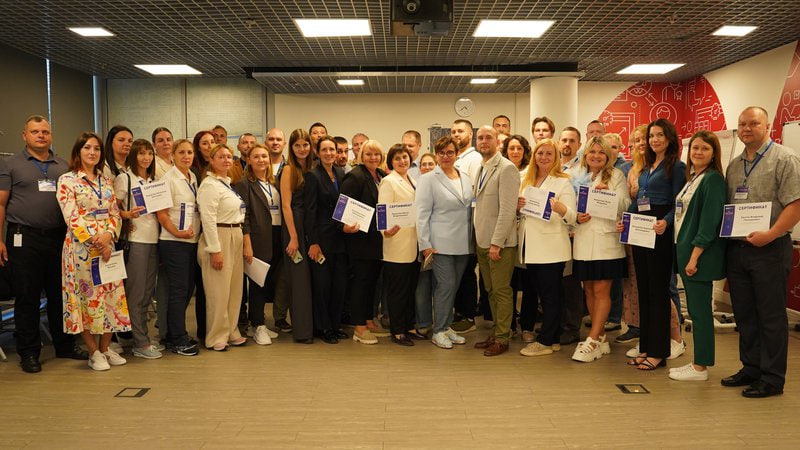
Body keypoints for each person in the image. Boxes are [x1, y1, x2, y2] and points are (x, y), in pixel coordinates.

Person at [721, 106, 800, 398]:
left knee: (770, 317)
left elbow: (796, 204)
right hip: (738, 249)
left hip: (770, 248)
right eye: (742, 124)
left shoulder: (785, 159)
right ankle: (751, 368)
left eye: (753, 123)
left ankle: (772, 378)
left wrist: (771, 234)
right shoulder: (734, 165)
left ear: (768, 127)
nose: (746, 128)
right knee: (745, 314)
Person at [0, 115, 85, 373]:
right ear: (24, 135)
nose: (41, 136)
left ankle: (65, 345)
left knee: (61, 294)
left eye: (45, 132)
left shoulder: (63, 166)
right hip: (23, 238)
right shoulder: (10, 164)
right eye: (35, 131)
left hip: (58, 237)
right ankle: (29, 353)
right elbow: (1, 204)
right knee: (27, 296)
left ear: (51, 135)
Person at [57, 131, 130, 371]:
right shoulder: (67, 180)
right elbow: (71, 216)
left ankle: (106, 348)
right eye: (87, 147)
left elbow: (114, 213)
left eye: (97, 148)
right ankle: (93, 351)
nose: (92, 152)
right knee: (86, 299)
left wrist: (108, 236)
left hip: (107, 247)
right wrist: (96, 240)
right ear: (78, 151)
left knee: (111, 298)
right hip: (81, 250)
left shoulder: (105, 180)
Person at [625, 118, 686, 371]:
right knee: (645, 290)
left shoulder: (677, 167)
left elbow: (679, 202)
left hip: (660, 230)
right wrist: (625, 220)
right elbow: (640, 200)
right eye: (651, 136)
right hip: (641, 229)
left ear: (669, 138)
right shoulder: (648, 166)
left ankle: (659, 352)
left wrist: (666, 222)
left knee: (659, 292)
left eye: (660, 135)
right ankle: (646, 347)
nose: (654, 140)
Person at [668, 131, 727, 381]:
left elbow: (709, 223)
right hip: (686, 251)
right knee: (695, 309)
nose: (698, 152)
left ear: (714, 153)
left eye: (704, 148)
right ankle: (698, 362)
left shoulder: (713, 180)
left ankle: (700, 367)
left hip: (698, 256)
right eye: (695, 148)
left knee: (700, 313)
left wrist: (694, 257)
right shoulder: (693, 178)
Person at [569, 137, 631, 362]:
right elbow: (569, 205)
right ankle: (601, 336)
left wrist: (608, 195)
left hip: (606, 242)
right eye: (592, 152)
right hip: (583, 239)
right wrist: (575, 216)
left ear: (608, 156)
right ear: (585, 155)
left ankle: (592, 339)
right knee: (588, 290)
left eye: (601, 152)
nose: (596, 156)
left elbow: (626, 204)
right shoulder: (576, 176)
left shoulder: (616, 176)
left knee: (601, 291)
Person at [517, 138, 576, 356]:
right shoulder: (526, 180)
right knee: (542, 293)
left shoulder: (563, 182)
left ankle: (545, 342)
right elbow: (521, 213)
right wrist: (518, 207)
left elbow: (573, 217)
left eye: (549, 153)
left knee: (551, 296)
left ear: (556, 157)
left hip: (551, 247)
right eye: (540, 153)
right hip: (530, 245)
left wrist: (561, 208)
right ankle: (554, 338)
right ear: (534, 156)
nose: (544, 157)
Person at [416, 137, 473, 349]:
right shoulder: (429, 179)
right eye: (441, 153)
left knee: (453, 287)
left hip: (463, 242)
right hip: (439, 243)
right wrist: (425, 244)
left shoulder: (465, 177)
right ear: (436, 155)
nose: (446, 156)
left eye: (450, 152)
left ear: (456, 154)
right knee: (445, 286)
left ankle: (446, 326)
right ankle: (438, 330)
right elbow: (421, 214)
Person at [471, 126, 520, 357]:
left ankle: (502, 338)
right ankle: (497, 332)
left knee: (501, 291)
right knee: (490, 290)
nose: (483, 141)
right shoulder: (481, 167)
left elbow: (508, 210)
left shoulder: (507, 168)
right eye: (480, 138)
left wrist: (496, 243)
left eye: (488, 137)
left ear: (497, 142)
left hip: (499, 243)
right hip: (482, 240)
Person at [113, 139, 162, 359]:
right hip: (135, 241)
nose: (146, 158)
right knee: (136, 293)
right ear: (133, 156)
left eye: (149, 153)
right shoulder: (125, 178)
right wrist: (127, 216)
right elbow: (112, 209)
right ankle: (140, 342)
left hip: (153, 240)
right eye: (141, 153)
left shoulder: (153, 181)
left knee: (147, 294)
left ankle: (143, 338)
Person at [197, 144, 246, 351]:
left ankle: (231, 330)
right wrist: (214, 249)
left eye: (229, 157)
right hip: (219, 235)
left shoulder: (227, 184)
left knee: (234, 289)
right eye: (221, 156)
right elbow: (207, 219)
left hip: (235, 234)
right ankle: (215, 335)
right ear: (211, 160)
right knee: (218, 291)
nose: (226, 160)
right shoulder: (209, 185)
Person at [155, 139, 202, 356]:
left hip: (191, 241)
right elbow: (162, 214)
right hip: (174, 242)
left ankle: (175, 332)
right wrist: (177, 232)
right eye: (181, 152)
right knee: (178, 290)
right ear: (172, 155)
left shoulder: (193, 177)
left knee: (187, 290)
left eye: (189, 152)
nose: (186, 156)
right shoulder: (168, 179)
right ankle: (178, 339)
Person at [340, 139, 387, 344]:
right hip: (360, 240)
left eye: (376, 154)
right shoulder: (355, 176)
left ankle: (368, 321)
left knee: (372, 283)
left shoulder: (382, 175)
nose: (373, 157)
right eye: (368, 154)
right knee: (361, 283)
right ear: (361, 156)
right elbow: (342, 206)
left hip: (377, 240)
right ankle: (359, 327)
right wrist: (344, 225)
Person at [304, 136, 347, 344]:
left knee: (339, 285)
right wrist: (313, 242)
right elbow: (310, 211)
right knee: (323, 286)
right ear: (318, 152)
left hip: (341, 238)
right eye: (325, 150)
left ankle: (335, 325)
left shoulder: (340, 173)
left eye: (332, 150)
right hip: (321, 240)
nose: (329, 153)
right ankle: (324, 327)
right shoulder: (313, 175)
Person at [378, 144, 420, 346]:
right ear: (391, 162)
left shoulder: (413, 180)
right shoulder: (389, 181)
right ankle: (397, 331)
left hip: (413, 244)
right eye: (397, 158)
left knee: (410, 290)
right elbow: (382, 210)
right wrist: (384, 230)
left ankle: (408, 327)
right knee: (398, 292)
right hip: (396, 243)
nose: (402, 161)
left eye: (405, 157)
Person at [279, 129, 315, 344]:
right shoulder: (288, 170)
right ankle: (302, 332)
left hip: (309, 226)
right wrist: (293, 237)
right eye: (297, 145)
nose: (302, 149)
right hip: (294, 227)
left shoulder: (312, 168)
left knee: (310, 281)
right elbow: (286, 205)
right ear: (291, 148)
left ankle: (313, 326)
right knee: (299, 281)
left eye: (305, 145)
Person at [616, 125, 647, 344]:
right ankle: (635, 326)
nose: (641, 143)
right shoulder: (629, 169)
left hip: (654, 230)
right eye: (636, 140)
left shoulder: (663, 167)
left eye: (644, 138)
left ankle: (669, 332)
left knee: (659, 284)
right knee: (631, 282)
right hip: (630, 230)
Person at [450, 119, 482, 333]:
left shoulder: (474, 159)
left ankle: (468, 315)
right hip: (453, 226)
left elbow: (473, 192)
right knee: (457, 273)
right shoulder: (455, 158)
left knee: (467, 272)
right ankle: (459, 312)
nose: (456, 134)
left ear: (470, 134)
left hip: (467, 224)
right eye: (453, 131)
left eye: (460, 131)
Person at [265, 128, 291, 332]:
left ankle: (280, 316)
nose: (275, 142)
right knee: (260, 274)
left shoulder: (289, 168)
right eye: (271, 139)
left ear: (284, 143)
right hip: (263, 229)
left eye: (278, 139)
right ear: (266, 142)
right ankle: (256, 319)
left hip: (284, 228)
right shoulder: (258, 166)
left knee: (284, 274)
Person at [413, 152, 437, 336]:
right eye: (424, 164)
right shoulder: (416, 185)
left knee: (440, 285)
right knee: (423, 285)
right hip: (422, 242)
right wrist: (424, 243)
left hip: (441, 242)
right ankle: (424, 323)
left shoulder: (442, 184)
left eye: (431, 164)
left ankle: (442, 323)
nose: (427, 167)